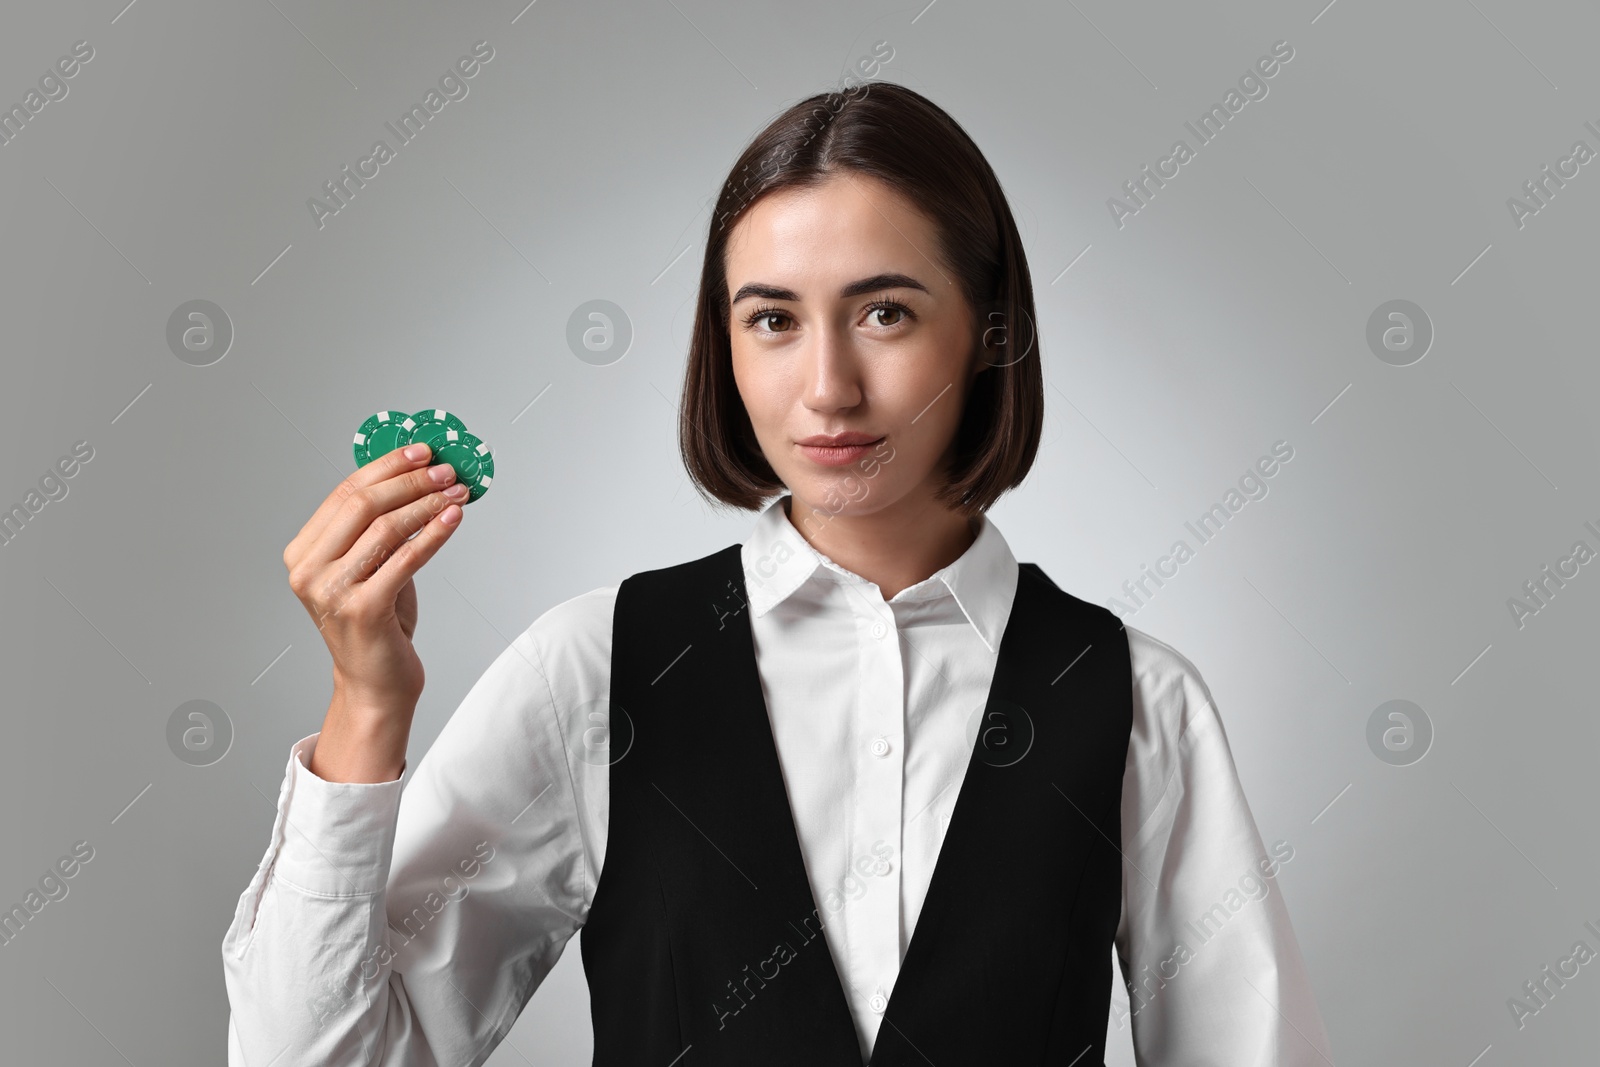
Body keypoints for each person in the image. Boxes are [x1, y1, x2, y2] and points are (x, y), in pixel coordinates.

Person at [222, 81, 1335, 1065]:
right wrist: (368, 709)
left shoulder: (1137, 700)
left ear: (989, 332)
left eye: (885, 312)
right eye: (772, 319)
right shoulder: (593, 670)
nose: (827, 388)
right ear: (727, 342)